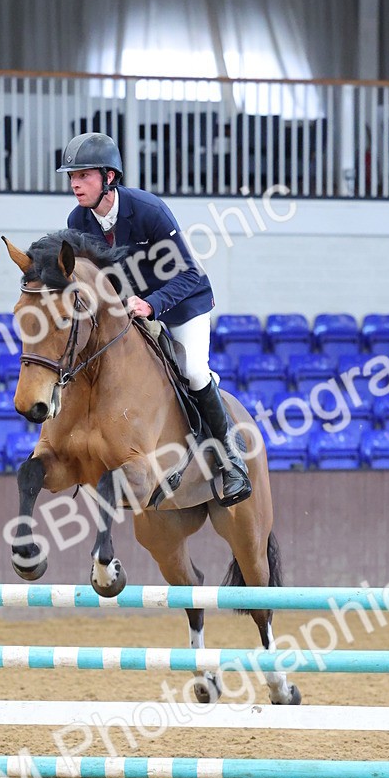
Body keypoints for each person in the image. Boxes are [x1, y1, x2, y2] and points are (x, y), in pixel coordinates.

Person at [57, 132, 251, 505]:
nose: (75, 184)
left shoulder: (149, 211)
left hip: (181, 305)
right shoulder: (78, 219)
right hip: (129, 309)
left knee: (193, 370)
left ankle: (232, 461)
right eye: (72, 177)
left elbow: (189, 273)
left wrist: (151, 304)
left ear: (109, 177)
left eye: (83, 176)